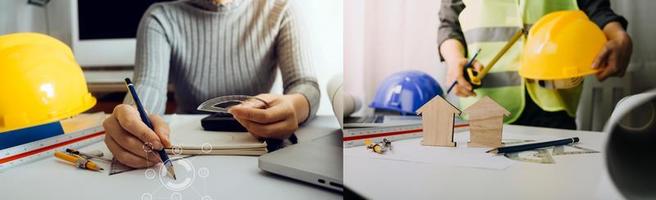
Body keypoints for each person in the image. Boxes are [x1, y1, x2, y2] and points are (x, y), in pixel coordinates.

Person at [103, 0, 320, 168]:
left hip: (261, 154)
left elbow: (304, 85)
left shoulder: (281, 9)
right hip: (187, 156)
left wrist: (294, 106)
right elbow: (148, 85)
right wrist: (131, 118)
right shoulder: (160, 17)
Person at [438, 0, 632, 129]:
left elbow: (596, 8)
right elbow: (450, 24)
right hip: (485, 101)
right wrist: (455, 59)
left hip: (553, 100)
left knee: (551, 186)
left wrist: (619, 36)